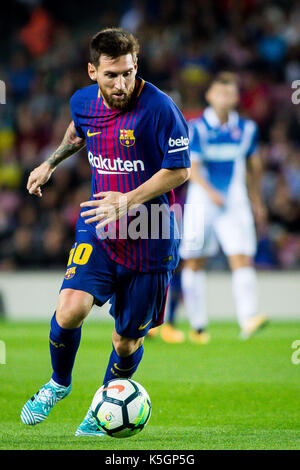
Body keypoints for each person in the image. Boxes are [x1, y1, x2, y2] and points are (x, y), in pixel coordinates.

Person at [20, 27, 190, 437]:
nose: (121, 83)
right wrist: (50, 163)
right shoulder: (82, 102)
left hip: (150, 232)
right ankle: (58, 384)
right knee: (69, 309)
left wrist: (128, 200)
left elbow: (180, 169)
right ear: (93, 71)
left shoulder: (161, 108)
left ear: (137, 67)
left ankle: (102, 407)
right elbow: (77, 133)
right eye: (111, 74)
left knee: (125, 342)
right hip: (100, 224)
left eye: (128, 73)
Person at [180, 72, 267, 343]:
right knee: (194, 261)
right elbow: (190, 168)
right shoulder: (196, 128)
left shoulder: (248, 129)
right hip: (201, 200)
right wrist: (211, 192)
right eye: (220, 92)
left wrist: (256, 200)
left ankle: (249, 318)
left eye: (229, 93)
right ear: (209, 96)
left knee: (241, 257)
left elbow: (254, 166)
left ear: (236, 98)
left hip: (234, 200)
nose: (224, 98)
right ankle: (198, 326)